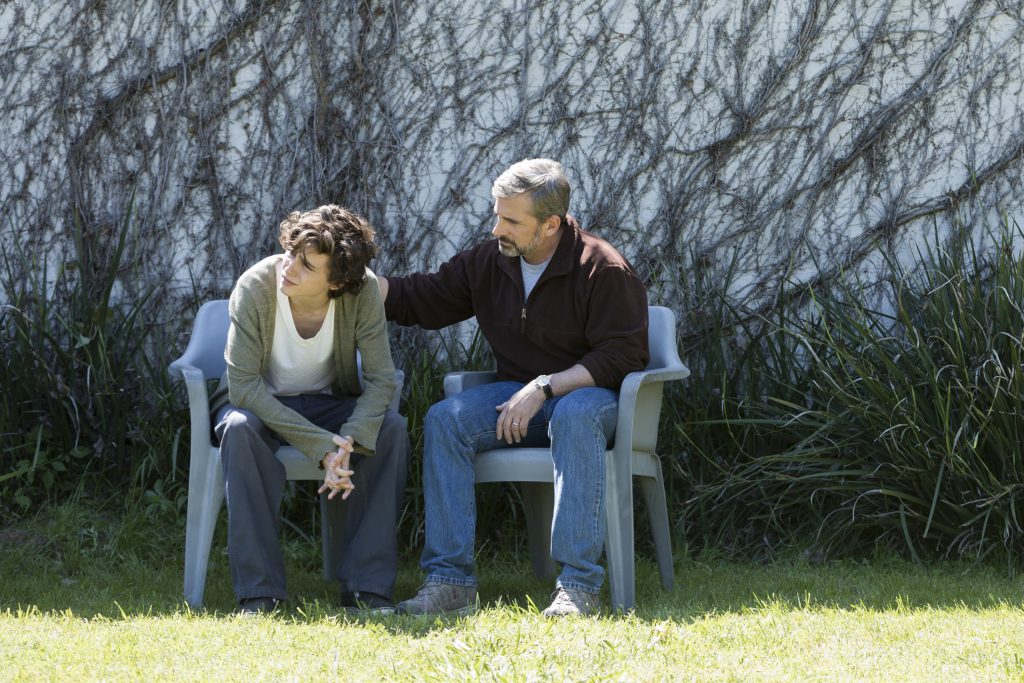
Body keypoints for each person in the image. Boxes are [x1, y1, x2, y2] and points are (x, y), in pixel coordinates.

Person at [378, 159, 649, 617]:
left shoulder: (602, 268)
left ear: (550, 225)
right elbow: (423, 298)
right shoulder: (490, 261)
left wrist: (544, 386)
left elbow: (623, 356)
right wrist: (358, 283)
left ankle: (578, 587)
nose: (496, 227)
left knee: (576, 412)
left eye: (510, 220)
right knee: (446, 420)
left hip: (594, 401)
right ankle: (450, 583)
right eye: (497, 213)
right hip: (519, 399)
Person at [209, 205, 409, 615]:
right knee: (238, 430)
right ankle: (258, 595)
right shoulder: (255, 286)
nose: (289, 268)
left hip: (328, 404)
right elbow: (243, 387)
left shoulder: (363, 291)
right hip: (258, 405)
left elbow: (381, 379)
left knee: (389, 429)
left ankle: (366, 590)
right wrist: (321, 445)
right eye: (290, 253)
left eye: (305, 265)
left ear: (336, 282)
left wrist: (349, 438)